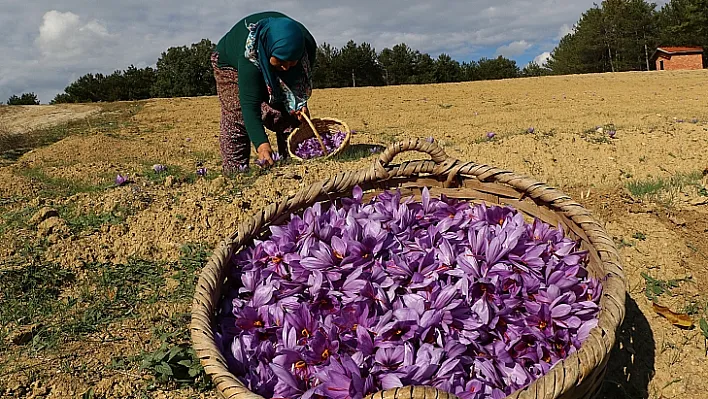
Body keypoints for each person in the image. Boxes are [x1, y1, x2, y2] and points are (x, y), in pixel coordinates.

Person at [211, 11, 316, 173]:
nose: (286, 67)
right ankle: (235, 172)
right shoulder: (251, 56)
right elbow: (249, 104)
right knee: (237, 114)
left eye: (292, 62)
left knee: (289, 110)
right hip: (229, 64)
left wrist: (299, 104)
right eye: (280, 61)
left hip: (275, 52)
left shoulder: (306, 45)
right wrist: (262, 145)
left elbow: (297, 82)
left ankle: (292, 160)